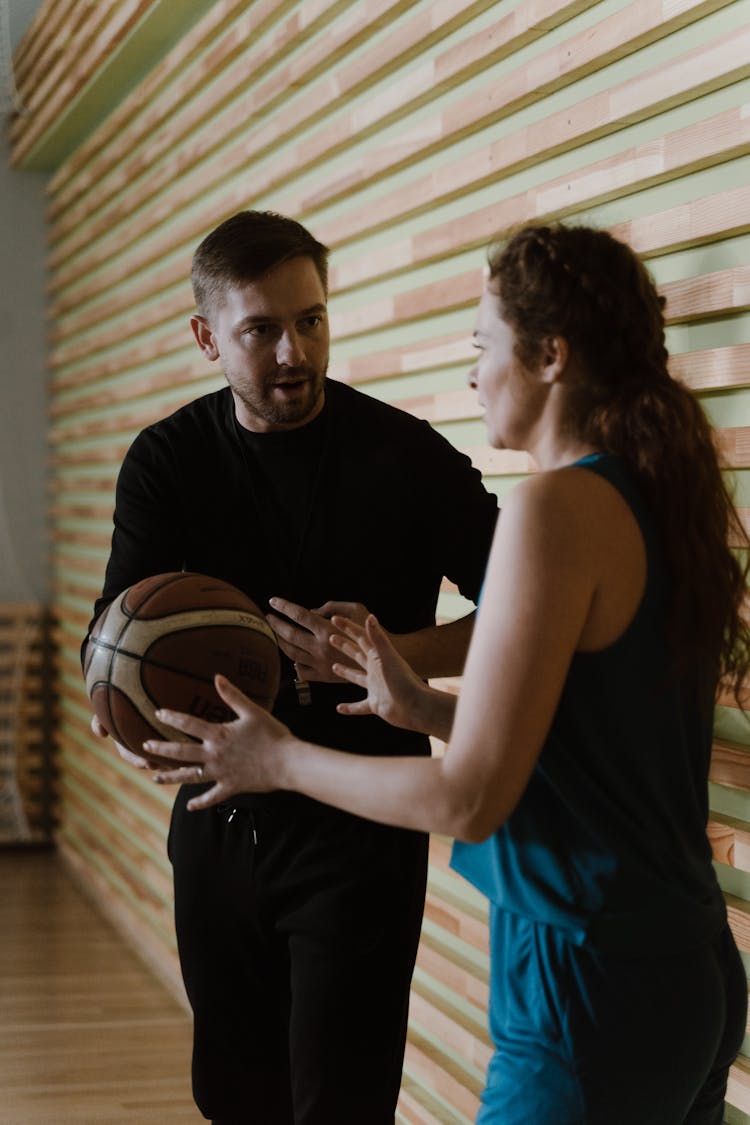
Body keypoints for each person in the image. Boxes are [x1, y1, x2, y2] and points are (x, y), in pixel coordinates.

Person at [150, 222, 750, 1124]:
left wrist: (274, 760)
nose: (472, 375)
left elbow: (469, 801)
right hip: (694, 965)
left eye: (482, 347)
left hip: (583, 978)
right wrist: (422, 702)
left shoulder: (549, 510)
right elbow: (592, 739)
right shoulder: (657, 498)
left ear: (548, 356)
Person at [83, 209, 499, 1124]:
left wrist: (391, 654)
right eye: (261, 330)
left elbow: (533, 615)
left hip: (361, 825)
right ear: (206, 339)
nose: (293, 352)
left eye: (310, 320)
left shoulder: (406, 454)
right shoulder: (167, 461)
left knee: (338, 1105)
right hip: (219, 819)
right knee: (235, 1099)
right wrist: (120, 703)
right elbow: (110, 637)